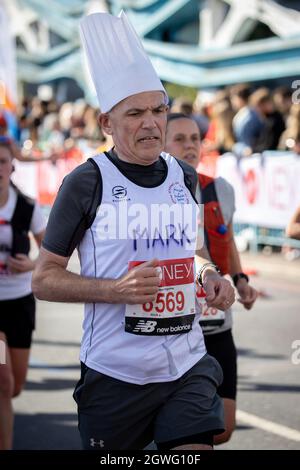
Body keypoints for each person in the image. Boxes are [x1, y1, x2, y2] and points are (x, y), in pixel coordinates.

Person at [32, 11, 235, 451]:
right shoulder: (86, 182)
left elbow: (193, 250)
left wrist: (208, 275)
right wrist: (115, 290)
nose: (151, 123)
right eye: (135, 113)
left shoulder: (183, 177)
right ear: (107, 123)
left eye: (158, 110)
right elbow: (44, 278)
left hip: (186, 363)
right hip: (115, 373)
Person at [165, 112, 258, 444]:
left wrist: (241, 278)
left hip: (218, 326)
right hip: (173, 329)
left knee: (223, 428)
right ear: (161, 144)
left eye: (195, 139)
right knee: (193, 430)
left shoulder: (220, 189)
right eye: (179, 139)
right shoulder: (151, 196)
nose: (190, 145)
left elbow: (227, 239)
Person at [0, 140, 46, 449]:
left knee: (15, 385)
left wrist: (30, 264)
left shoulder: (27, 206)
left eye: (2, 162)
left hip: (19, 302)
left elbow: (52, 253)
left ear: (12, 167)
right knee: (2, 381)